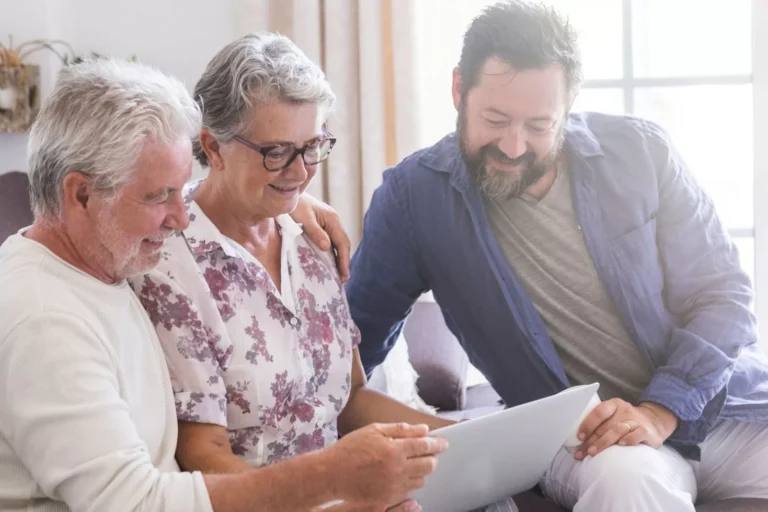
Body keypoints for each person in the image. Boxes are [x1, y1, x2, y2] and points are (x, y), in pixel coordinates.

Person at [346, 1, 768, 510]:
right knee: (626, 485)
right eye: (495, 119)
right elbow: (350, 346)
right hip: (586, 440)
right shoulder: (413, 199)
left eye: (540, 125)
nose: (514, 145)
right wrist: (290, 204)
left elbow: (723, 295)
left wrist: (660, 410)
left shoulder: (640, 151)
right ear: (459, 90)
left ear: (569, 104)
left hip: (720, 408)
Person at [0, 58, 447, 512]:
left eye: (179, 190)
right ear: (80, 196)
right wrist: (333, 485)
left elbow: (215, 194)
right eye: (159, 197)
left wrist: (285, 199)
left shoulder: (103, 263)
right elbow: (133, 505)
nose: (180, 219)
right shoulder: (45, 320)